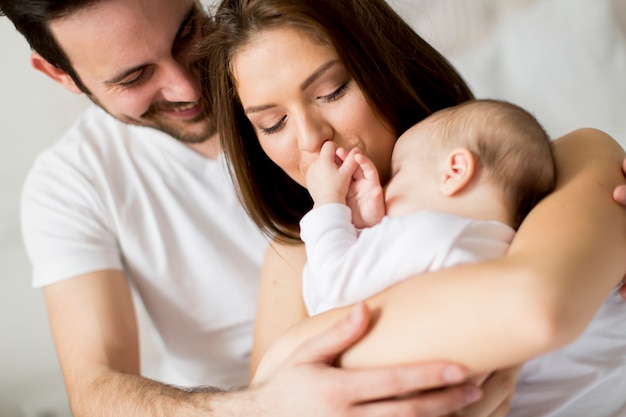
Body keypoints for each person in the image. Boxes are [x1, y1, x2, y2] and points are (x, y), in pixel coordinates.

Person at [0, 0, 520, 416]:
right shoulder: (71, 183)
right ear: (60, 75)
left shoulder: (279, 51)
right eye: (135, 77)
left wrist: (586, 173)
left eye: (185, 32)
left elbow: (501, 160)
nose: (186, 84)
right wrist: (262, 405)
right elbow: (94, 388)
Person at [202, 0, 626, 415]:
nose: (311, 139)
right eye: (272, 124)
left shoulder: (564, 160)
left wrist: (295, 354)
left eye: (332, 91)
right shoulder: (293, 256)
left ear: (386, 65)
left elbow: (535, 308)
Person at [299, 99, 555, 316]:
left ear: (454, 171)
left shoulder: (428, 233)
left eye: (397, 174)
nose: (384, 189)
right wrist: (365, 227)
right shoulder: (503, 248)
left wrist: (327, 200)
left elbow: (331, 288)